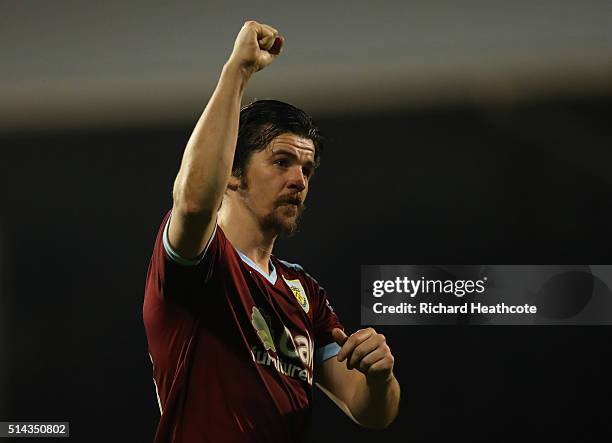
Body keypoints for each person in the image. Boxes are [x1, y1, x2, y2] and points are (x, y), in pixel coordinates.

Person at [143, 20, 400, 442]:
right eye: (281, 162)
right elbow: (192, 202)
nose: (299, 180)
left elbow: (370, 411)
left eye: (307, 168)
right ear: (232, 173)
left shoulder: (305, 293)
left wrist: (379, 378)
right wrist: (237, 72)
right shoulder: (201, 265)